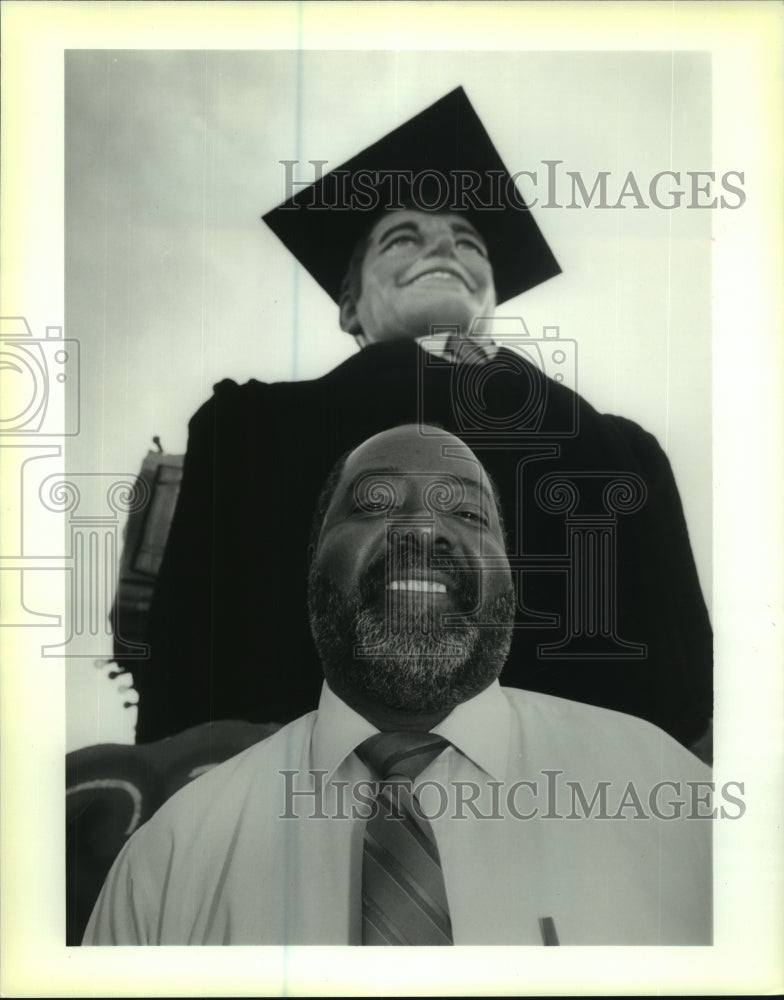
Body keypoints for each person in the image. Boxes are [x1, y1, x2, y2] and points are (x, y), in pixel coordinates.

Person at [127, 87, 712, 753]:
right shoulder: (249, 426)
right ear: (349, 304)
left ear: (491, 292)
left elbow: (684, 693)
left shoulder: (624, 450)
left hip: (576, 796)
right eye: (403, 238)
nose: (444, 250)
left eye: (470, 243)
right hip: (294, 794)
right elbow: (185, 665)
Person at [87, 425, 712, 945]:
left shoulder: (673, 799)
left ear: (510, 577)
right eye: (375, 504)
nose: (420, 530)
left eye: (467, 512)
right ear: (314, 565)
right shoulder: (168, 860)